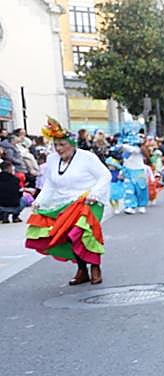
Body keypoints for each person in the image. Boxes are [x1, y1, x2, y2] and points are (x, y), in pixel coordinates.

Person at [24, 118, 110, 285]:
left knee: (82, 232)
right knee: (66, 235)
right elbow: (50, 184)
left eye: (62, 145)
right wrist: (40, 200)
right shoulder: (52, 160)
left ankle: (95, 266)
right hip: (64, 203)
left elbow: (104, 176)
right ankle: (82, 269)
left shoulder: (87, 157)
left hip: (88, 202)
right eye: (56, 145)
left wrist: (94, 193)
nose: (58, 149)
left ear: (72, 144)